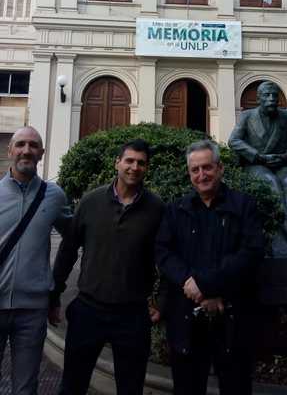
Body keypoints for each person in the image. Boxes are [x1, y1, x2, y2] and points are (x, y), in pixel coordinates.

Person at [52, 138, 164, 395]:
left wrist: (162, 300)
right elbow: (68, 250)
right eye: (129, 160)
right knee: (72, 385)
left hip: (133, 316)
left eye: (141, 163)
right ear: (117, 163)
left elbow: (166, 257)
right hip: (88, 310)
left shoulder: (156, 208)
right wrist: (54, 293)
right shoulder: (90, 202)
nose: (134, 167)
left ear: (146, 168)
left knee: (130, 387)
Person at [156, 139, 265, 395]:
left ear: (220, 168)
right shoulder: (176, 209)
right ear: (189, 173)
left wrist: (207, 286)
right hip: (186, 321)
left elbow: (251, 253)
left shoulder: (244, 206)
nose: (201, 175)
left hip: (232, 319)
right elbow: (163, 252)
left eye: (207, 168)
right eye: (195, 170)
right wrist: (190, 284)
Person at [0, 126, 71, 395]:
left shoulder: (54, 196)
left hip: (32, 310)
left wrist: (54, 289)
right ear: (10, 151)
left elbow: (73, 237)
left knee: (26, 386)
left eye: (33, 145)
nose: (26, 150)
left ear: (41, 153)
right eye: (20, 144)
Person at [228, 81, 287, 255]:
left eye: (274, 95)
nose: (272, 99)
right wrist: (257, 156)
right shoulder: (247, 116)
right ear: (258, 98)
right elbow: (233, 141)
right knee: (270, 183)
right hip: (257, 165)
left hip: (282, 163)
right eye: (267, 95)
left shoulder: (286, 116)